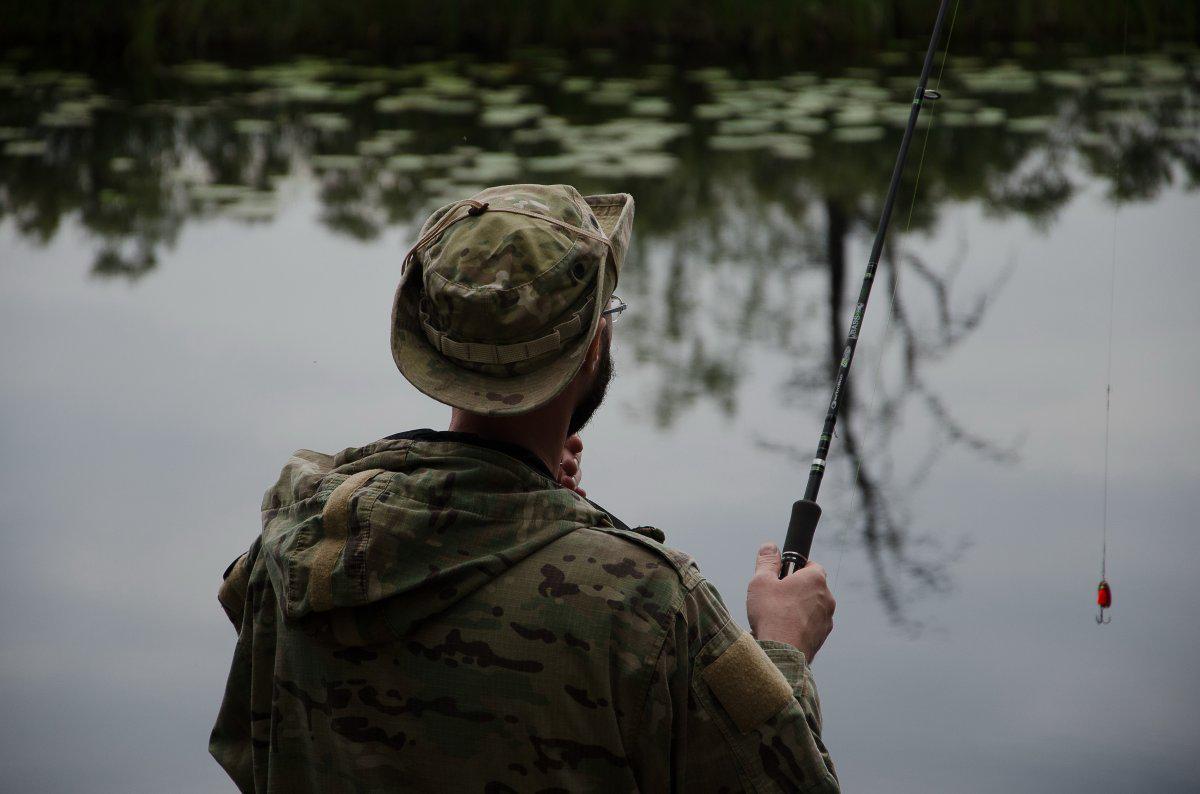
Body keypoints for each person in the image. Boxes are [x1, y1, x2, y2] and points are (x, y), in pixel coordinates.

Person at [210, 183, 839, 792]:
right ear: (593, 348)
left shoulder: (293, 549)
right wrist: (784, 646)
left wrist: (536, 500)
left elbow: (247, 753)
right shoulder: (649, 606)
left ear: (432, 351)